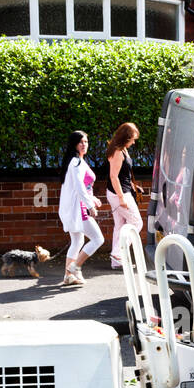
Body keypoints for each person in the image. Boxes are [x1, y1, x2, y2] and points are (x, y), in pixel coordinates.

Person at [57, 130, 103, 286]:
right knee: (98, 239)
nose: (84, 145)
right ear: (74, 144)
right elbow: (79, 187)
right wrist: (90, 205)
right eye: (81, 142)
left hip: (76, 207)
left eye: (86, 142)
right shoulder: (76, 162)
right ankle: (75, 266)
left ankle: (67, 276)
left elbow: (82, 187)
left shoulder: (76, 161)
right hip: (79, 209)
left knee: (77, 241)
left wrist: (92, 198)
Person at [105, 121, 143, 268]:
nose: (133, 142)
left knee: (120, 225)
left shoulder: (122, 150)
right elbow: (113, 176)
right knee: (136, 222)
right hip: (119, 194)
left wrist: (134, 186)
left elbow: (122, 175)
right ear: (125, 137)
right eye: (132, 139)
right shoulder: (117, 152)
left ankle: (116, 262)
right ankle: (118, 254)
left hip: (121, 191)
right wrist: (121, 198)